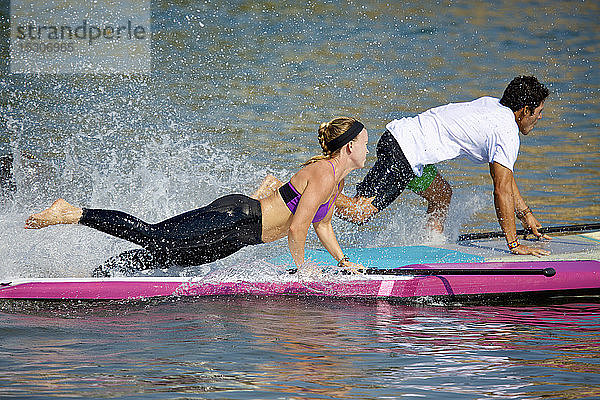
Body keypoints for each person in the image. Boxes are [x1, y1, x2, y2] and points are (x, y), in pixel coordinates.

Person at [25, 117, 369, 276]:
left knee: (170, 258)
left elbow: (322, 225)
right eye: (365, 143)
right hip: (237, 217)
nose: (367, 149)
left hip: (242, 238)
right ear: (350, 147)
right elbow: (298, 228)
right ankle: (72, 211)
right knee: (154, 235)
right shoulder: (324, 173)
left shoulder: (337, 181)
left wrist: (343, 261)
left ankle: (100, 275)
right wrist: (304, 270)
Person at [335, 76, 551, 257]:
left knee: (441, 195)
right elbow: (501, 189)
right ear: (524, 110)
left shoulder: (493, 106)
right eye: (538, 111)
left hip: (406, 147)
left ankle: (432, 245)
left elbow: (506, 180)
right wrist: (513, 244)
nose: (540, 117)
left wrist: (525, 214)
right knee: (358, 213)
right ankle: (313, 191)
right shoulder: (506, 132)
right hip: (404, 152)